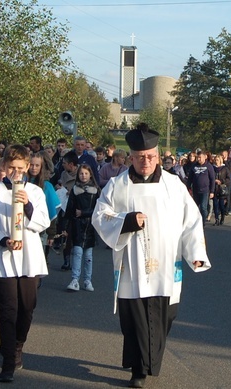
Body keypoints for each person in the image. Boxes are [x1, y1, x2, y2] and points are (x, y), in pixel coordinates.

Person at [91, 123, 211, 388]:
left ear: (158, 156)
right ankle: (139, 370)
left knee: (164, 316)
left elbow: (191, 220)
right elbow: (100, 217)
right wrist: (127, 220)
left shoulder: (173, 185)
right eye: (140, 157)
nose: (146, 161)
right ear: (131, 157)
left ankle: (149, 361)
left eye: (151, 156)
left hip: (166, 264)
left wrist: (196, 253)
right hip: (132, 266)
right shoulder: (117, 186)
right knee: (134, 319)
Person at [0, 144, 50, 383]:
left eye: (21, 168)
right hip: (4, 258)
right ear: (4, 167)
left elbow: (43, 222)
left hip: (28, 257)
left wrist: (27, 204)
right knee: (8, 310)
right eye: (12, 168)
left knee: (27, 307)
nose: (16, 173)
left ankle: (18, 345)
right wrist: (2, 240)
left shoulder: (36, 192)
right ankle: (8, 359)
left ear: (28, 167)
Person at [63, 164, 100, 291]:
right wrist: (65, 227)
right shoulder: (75, 190)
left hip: (90, 225)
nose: (83, 176)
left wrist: (84, 213)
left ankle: (87, 280)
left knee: (88, 254)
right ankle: (75, 279)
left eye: (86, 173)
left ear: (90, 174)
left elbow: (99, 209)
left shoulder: (96, 190)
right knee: (78, 252)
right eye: (81, 173)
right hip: (77, 225)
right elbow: (69, 209)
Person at [187, 149, 215, 223]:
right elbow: (190, 178)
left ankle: (203, 221)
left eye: (200, 157)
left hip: (205, 190)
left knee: (203, 207)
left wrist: (212, 191)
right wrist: (188, 188)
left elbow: (212, 179)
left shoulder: (209, 166)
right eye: (197, 157)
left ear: (204, 157)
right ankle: (196, 221)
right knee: (196, 206)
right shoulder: (194, 166)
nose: (198, 159)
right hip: (195, 190)